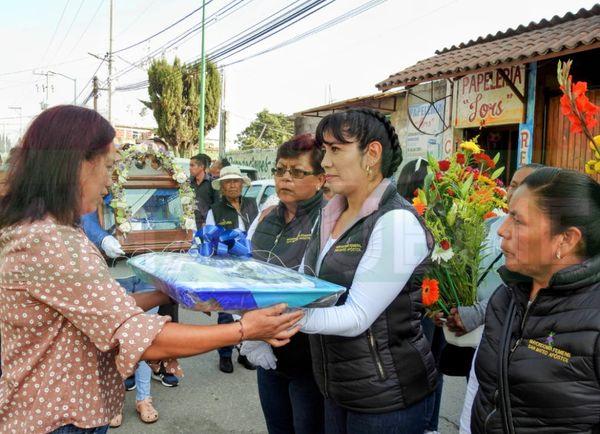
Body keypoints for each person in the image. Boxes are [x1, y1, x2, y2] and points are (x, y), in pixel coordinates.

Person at [0, 105, 303, 434]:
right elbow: (140, 339)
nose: (112, 180)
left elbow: (103, 307)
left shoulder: (45, 229)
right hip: (56, 419)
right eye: (110, 166)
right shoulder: (52, 241)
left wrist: (170, 293)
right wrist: (244, 330)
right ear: (76, 165)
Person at [299, 108, 437, 434]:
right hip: (338, 388)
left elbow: (358, 315)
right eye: (324, 150)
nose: (325, 162)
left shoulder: (397, 222)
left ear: (371, 154)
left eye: (336, 149)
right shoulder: (331, 214)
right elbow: (307, 285)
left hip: (386, 397)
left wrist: (279, 320)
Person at [465, 167, 600, 433]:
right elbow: (483, 393)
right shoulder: (506, 297)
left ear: (566, 239)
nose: (502, 230)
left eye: (517, 220)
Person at [241, 134, 326, 434]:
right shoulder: (266, 218)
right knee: (277, 428)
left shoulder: (329, 220)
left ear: (320, 179)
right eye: (280, 170)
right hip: (267, 351)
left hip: (308, 357)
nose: (285, 178)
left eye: (297, 172)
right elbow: (246, 274)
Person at [81, 209, 160, 426]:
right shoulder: (95, 195)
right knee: (115, 341)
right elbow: (85, 219)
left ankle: (144, 398)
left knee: (146, 339)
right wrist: (103, 238)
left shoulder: (142, 191)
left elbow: (160, 222)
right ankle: (115, 400)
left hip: (146, 270)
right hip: (113, 275)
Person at [396, 157, 444, 434]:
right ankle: (428, 426)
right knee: (430, 366)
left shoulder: (395, 214)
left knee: (417, 367)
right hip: (430, 301)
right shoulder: (429, 215)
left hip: (413, 302)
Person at [206, 165, 259, 373]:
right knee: (227, 312)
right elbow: (210, 240)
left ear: (241, 184)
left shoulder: (253, 205)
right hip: (227, 268)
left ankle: (245, 353)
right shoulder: (215, 210)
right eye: (228, 182)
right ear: (222, 187)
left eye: (236, 181)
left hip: (252, 266)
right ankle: (225, 354)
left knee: (249, 311)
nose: (232, 185)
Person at [189, 153, 216, 228]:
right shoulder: (188, 183)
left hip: (206, 225)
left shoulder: (212, 184)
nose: (189, 168)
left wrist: (207, 221)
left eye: (192, 165)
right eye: (189, 165)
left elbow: (216, 205)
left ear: (201, 167)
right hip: (189, 224)